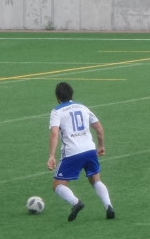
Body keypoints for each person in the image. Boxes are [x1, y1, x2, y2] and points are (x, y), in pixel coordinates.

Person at [47, 82, 115, 221]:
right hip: (90, 150)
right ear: (71, 94)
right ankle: (108, 206)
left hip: (72, 152)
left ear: (57, 98)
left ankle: (75, 203)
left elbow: (54, 133)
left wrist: (52, 155)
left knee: (58, 185)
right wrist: (101, 146)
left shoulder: (57, 111)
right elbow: (99, 129)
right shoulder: (83, 107)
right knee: (95, 179)